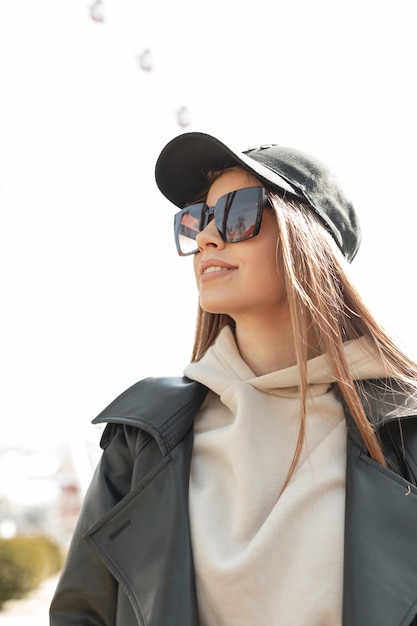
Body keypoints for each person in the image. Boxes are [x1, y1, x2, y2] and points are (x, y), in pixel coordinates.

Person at [49, 132, 417, 626]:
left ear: (309, 239)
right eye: (196, 220)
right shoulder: (144, 436)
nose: (206, 237)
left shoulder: (404, 426)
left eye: (238, 214)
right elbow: (83, 613)